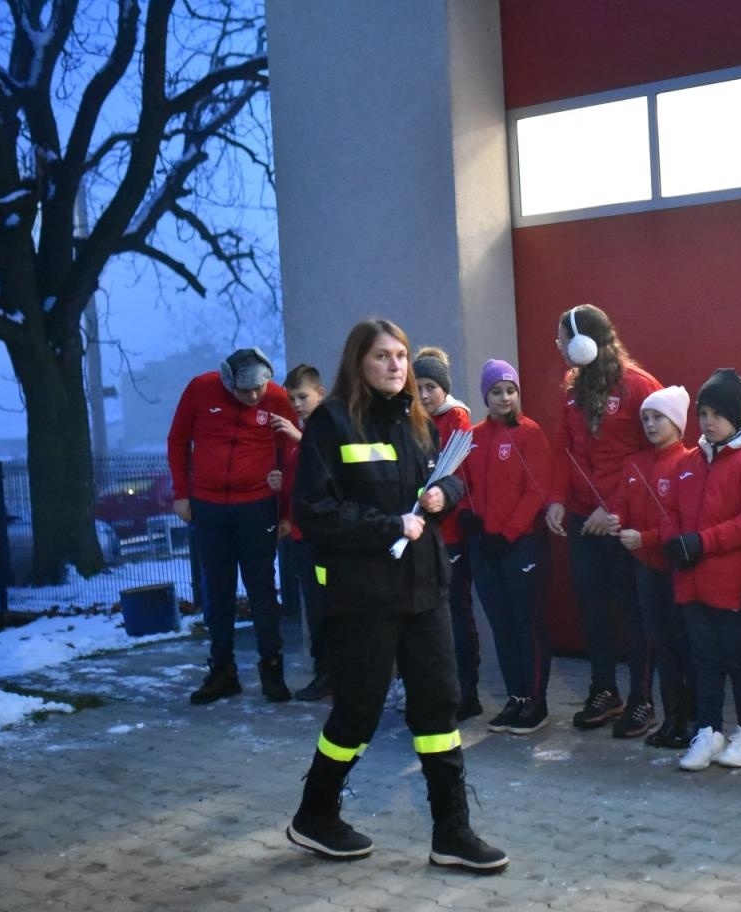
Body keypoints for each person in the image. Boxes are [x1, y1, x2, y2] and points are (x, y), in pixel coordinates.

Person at [287, 318, 506, 872]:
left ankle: (451, 832)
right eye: (383, 356)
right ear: (358, 361)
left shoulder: (418, 422)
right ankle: (315, 813)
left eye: (402, 356)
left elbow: (452, 480)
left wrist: (444, 495)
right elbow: (313, 511)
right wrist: (387, 525)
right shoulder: (331, 423)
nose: (395, 366)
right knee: (358, 713)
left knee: (438, 707)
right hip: (364, 597)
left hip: (425, 591)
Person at [545, 304, 661, 730]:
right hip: (580, 519)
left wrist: (613, 508)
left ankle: (642, 698)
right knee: (592, 609)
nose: (558, 346)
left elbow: (655, 457)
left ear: (582, 342)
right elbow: (563, 450)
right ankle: (604, 691)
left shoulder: (639, 386)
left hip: (621, 522)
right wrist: (556, 499)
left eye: (562, 338)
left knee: (630, 611)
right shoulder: (572, 389)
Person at [662, 369, 741, 772]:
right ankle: (709, 730)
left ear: (734, 415)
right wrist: (674, 541)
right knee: (703, 661)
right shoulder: (689, 462)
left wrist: (703, 542)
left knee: (737, 660)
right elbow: (672, 510)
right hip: (692, 583)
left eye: (716, 413)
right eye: (703, 413)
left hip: (731, 584)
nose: (708, 421)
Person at [168, 347, 294, 704]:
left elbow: (290, 457)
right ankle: (222, 671)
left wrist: (285, 511)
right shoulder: (200, 389)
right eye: (245, 391)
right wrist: (182, 493)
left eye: (259, 389)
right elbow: (177, 440)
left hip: (257, 507)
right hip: (208, 506)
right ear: (227, 381)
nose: (254, 397)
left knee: (262, 590)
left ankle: (272, 669)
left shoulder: (278, 399)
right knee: (217, 589)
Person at [458, 359, 552, 735]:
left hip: (520, 545)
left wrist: (509, 533)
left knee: (525, 623)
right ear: (486, 395)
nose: (504, 398)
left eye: (510, 390)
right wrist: (468, 516)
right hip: (484, 547)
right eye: (496, 392)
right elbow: (462, 483)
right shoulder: (474, 436)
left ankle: (535, 701)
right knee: (501, 624)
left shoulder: (530, 434)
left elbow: (537, 490)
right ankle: (515, 697)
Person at [615, 386, 696, 746]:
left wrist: (645, 538)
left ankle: (692, 721)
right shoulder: (634, 463)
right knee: (660, 645)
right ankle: (671, 719)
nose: (649, 424)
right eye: (645, 418)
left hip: (676, 569)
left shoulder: (688, 461)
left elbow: (683, 517)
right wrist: (616, 520)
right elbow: (622, 503)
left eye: (658, 417)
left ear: (677, 422)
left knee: (684, 645)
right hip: (643, 569)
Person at [413, 346, 482, 719]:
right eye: (418, 387)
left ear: (443, 388)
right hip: (420, 531)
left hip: (450, 532)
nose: (424, 395)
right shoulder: (413, 418)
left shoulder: (455, 419)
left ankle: (465, 694)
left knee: (455, 614)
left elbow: (455, 475)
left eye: (430, 387)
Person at [270, 364, 331, 702]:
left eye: (302, 396)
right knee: (314, 606)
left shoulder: (325, 430)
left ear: (319, 394)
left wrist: (299, 438)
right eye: (291, 398)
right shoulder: (300, 437)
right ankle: (323, 670)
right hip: (301, 535)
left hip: (323, 538)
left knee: (327, 605)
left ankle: (332, 673)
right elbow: (299, 484)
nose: (296, 403)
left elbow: (329, 470)